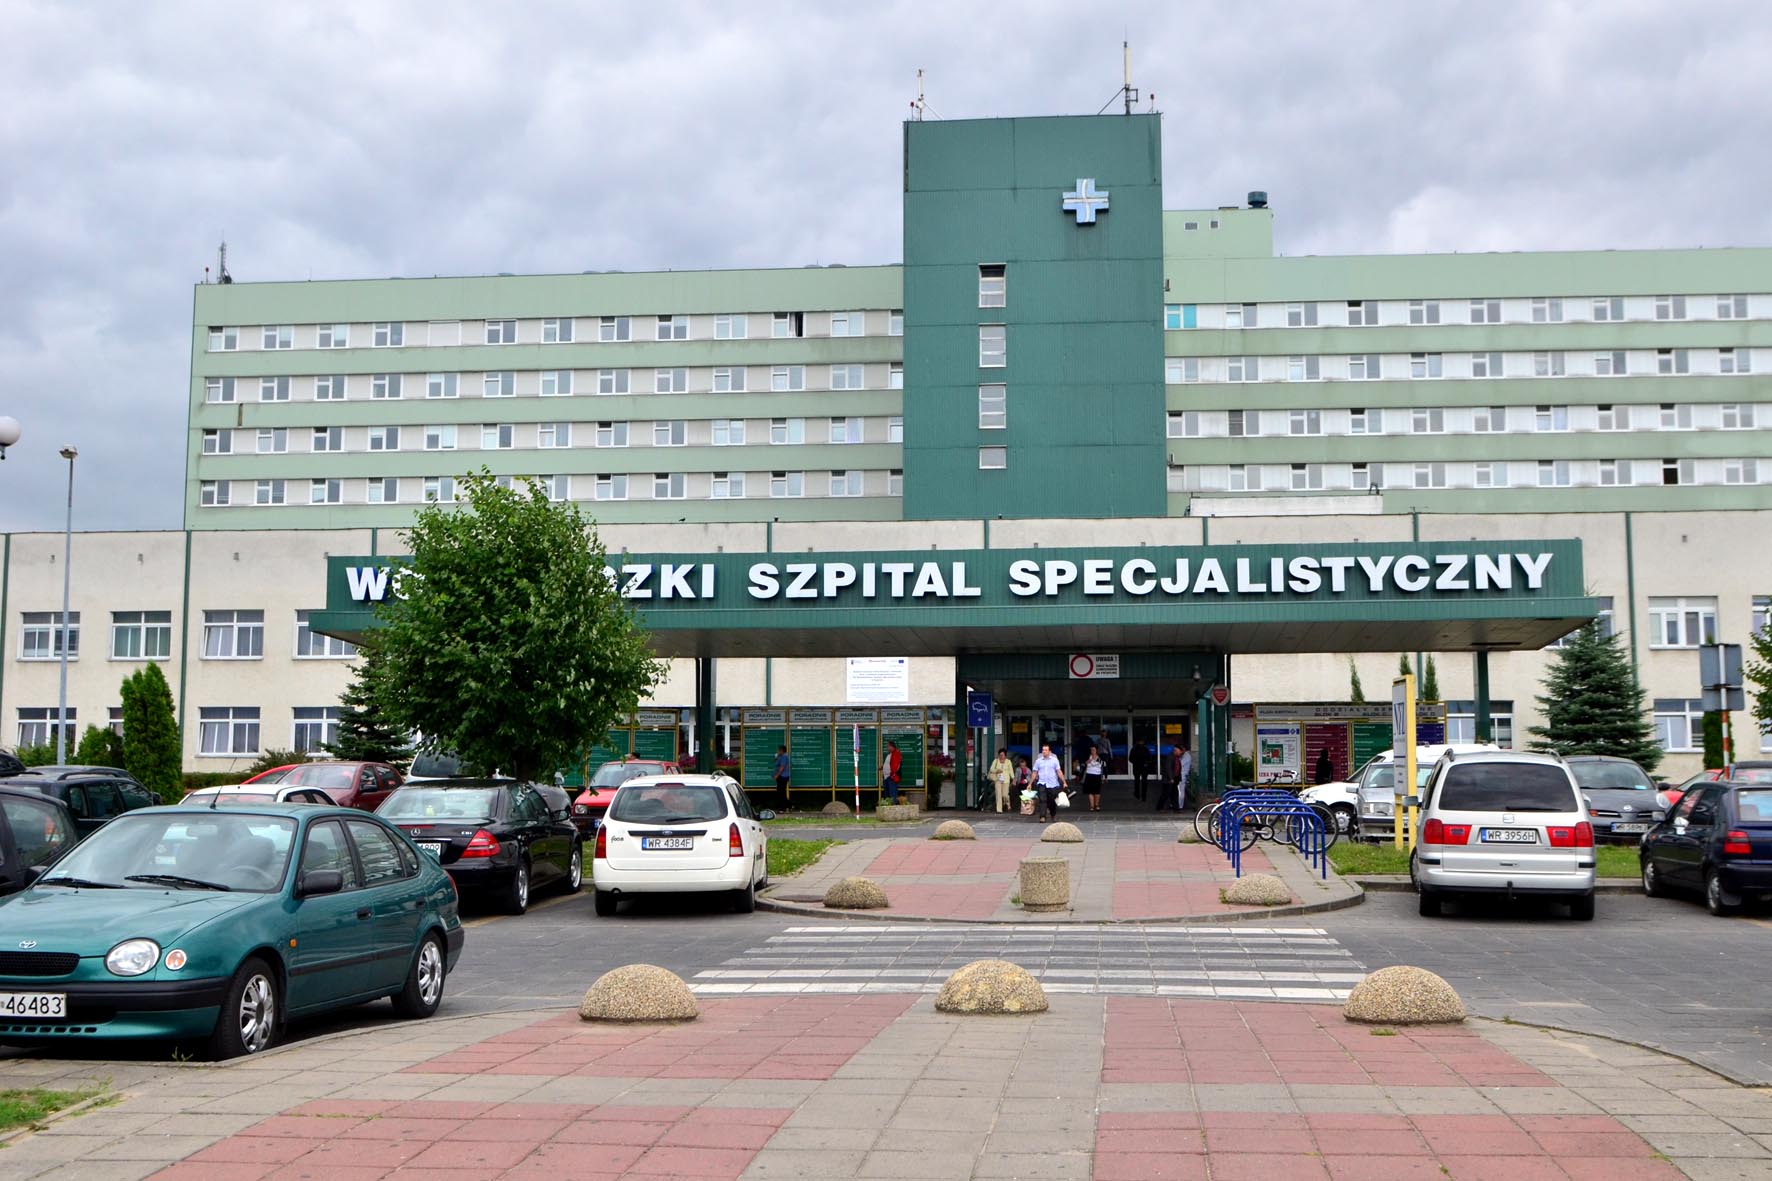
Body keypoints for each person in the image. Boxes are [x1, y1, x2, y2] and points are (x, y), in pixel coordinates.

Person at [1032, 743, 1065, 821]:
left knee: (1052, 801)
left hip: (1053, 784)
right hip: (1042, 783)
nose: (1044, 751)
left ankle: (1053, 815)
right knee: (1042, 800)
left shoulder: (1054, 760)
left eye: (1046, 750)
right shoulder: (1038, 761)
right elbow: (1035, 772)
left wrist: (1064, 782)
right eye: (1043, 750)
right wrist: (1030, 783)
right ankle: (1042, 816)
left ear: (1049, 751)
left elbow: (1059, 771)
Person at [988, 748, 1014, 813]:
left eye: (1002, 755)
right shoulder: (996, 761)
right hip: (998, 780)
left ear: (1005, 755)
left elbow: (1011, 771)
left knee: (1005, 795)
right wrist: (997, 770)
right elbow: (991, 769)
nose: (1001, 756)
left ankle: (1007, 803)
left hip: (1006, 780)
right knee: (998, 794)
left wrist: (1013, 778)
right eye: (1000, 755)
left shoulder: (1008, 762)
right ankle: (999, 809)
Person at [1082, 742, 1106, 812]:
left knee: (1097, 791)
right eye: (1091, 750)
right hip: (1089, 774)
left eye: (1094, 750)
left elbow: (1104, 764)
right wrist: (1088, 761)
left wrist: (1097, 759)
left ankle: (1097, 805)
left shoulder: (1100, 756)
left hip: (1097, 775)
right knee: (1090, 791)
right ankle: (1092, 806)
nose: (1092, 751)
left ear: (1096, 750)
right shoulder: (1088, 756)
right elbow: (1083, 764)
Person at [773, 745, 791, 809]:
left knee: (781, 793)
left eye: (778, 750)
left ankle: (783, 808)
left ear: (781, 750)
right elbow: (776, 763)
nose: (777, 751)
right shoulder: (781, 756)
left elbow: (782, 767)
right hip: (781, 777)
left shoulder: (784, 756)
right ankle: (789, 805)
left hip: (783, 777)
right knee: (780, 792)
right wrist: (777, 756)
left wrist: (776, 775)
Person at [1177, 745, 1194, 812]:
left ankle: (1180, 806)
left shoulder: (1186, 756)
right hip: (1182, 775)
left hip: (1182, 775)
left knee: (1181, 792)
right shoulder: (1185, 756)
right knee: (1181, 791)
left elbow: (1180, 764)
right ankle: (1179, 805)